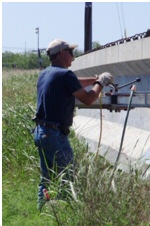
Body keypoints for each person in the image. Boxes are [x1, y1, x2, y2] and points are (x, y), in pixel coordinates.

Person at [33, 39, 113, 211]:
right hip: (55, 134)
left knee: (46, 177)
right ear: (62, 53)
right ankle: (66, 211)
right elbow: (89, 99)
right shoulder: (64, 75)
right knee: (68, 176)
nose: (73, 57)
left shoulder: (46, 73)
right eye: (71, 53)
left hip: (41, 131)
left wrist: (93, 79)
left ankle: (41, 211)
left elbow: (73, 82)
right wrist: (101, 83)